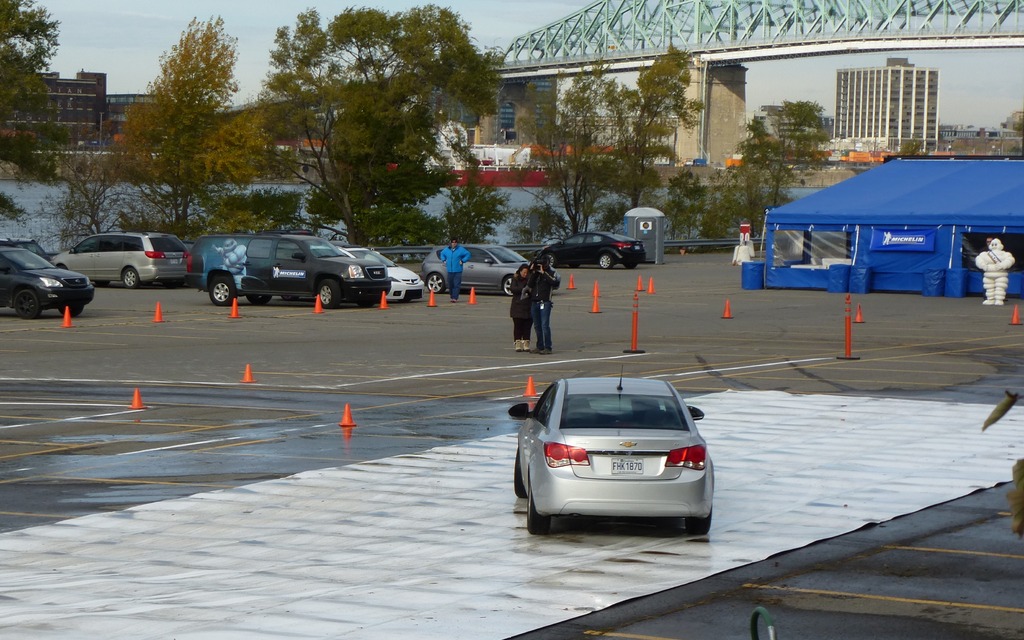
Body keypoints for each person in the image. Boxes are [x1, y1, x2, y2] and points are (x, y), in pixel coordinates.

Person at [527, 254, 560, 354]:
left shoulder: (552, 272)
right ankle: (540, 346)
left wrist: (544, 273)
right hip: (534, 302)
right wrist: (533, 272)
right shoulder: (535, 273)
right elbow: (529, 284)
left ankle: (548, 347)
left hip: (545, 302)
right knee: (537, 326)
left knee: (545, 325)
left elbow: (555, 283)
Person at [975, 237, 1015, 305]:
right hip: (989, 274)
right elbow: (978, 259)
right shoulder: (985, 254)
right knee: (989, 288)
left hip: (1000, 275)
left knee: (1000, 288)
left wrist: (1002, 265)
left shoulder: (1004, 254)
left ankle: (999, 300)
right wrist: (983, 265)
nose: (994, 245)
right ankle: (990, 299)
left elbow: (1010, 260)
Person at [509, 263, 533, 352]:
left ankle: (526, 343)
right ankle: (517, 343)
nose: (525, 274)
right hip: (517, 306)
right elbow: (513, 289)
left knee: (527, 327)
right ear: (520, 271)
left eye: (527, 272)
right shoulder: (515, 279)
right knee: (518, 326)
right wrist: (523, 289)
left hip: (528, 306)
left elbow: (532, 289)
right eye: (524, 272)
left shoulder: (530, 279)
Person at [439, 238, 471, 303]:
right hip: (450, 270)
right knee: (450, 284)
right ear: (451, 243)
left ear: (457, 243)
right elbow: (442, 254)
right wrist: (444, 260)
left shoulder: (461, 249)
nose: (454, 243)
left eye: (455, 242)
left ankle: (455, 297)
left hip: (458, 270)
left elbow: (468, 254)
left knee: (456, 284)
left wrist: (463, 260)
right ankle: (452, 296)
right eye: (453, 242)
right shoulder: (446, 250)